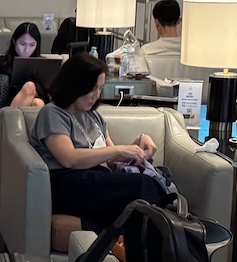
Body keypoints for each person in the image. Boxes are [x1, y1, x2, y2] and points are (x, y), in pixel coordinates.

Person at [31, 52, 171, 233]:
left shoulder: (93, 116)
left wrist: (138, 143)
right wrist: (118, 150)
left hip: (96, 178)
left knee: (156, 179)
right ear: (74, 85)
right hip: (66, 182)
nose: (96, 95)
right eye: (92, 89)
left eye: (100, 88)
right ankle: (169, 237)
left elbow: (111, 160)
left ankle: (145, 239)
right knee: (142, 186)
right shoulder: (53, 113)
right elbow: (69, 158)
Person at [0, 22, 48, 110]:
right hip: (8, 102)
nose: (26, 50)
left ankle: (12, 123)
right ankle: (8, 119)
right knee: (29, 87)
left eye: (32, 45)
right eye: (23, 44)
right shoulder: (0, 63)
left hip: (37, 99)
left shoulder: (43, 64)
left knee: (38, 103)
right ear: (14, 41)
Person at [128, 0, 182, 78]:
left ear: (157, 23)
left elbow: (141, 81)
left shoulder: (146, 51)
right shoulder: (190, 52)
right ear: (179, 20)